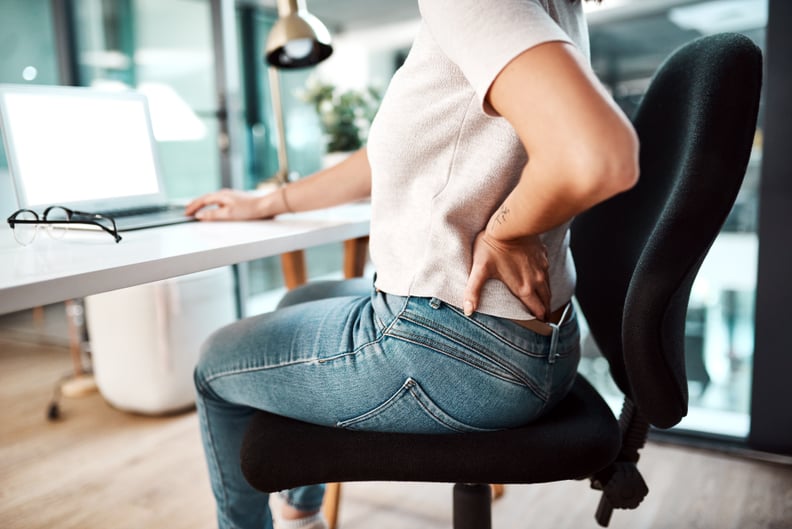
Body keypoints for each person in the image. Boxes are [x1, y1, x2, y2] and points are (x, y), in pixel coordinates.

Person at [186, 0, 638, 527]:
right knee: (301, 299)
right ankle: (300, 512)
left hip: (452, 348)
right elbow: (387, 153)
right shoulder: (550, 8)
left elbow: (597, 153)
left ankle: (290, 517)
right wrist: (269, 202)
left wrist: (508, 230)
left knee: (214, 365)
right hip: (541, 347)